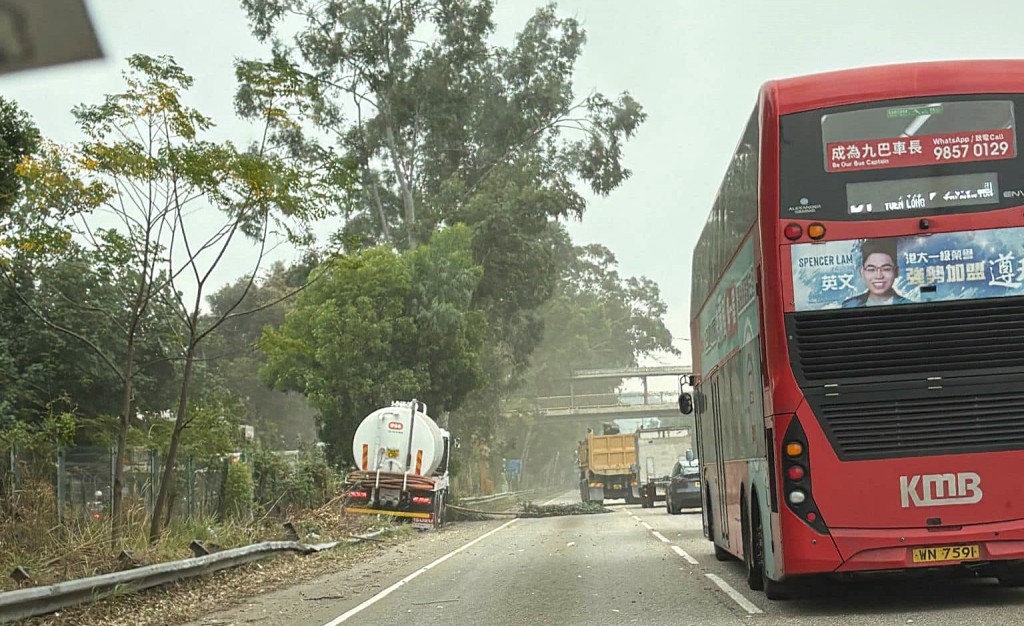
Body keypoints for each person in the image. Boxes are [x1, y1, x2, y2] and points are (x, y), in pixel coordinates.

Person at [842, 239, 913, 308]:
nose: (879, 276)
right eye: (871, 269)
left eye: (886, 269)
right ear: (862, 272)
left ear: (896, 271)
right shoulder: (850, 305)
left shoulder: (909, 305)